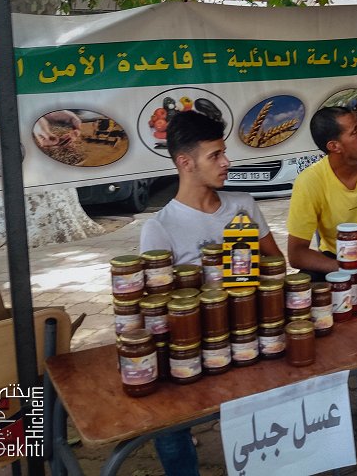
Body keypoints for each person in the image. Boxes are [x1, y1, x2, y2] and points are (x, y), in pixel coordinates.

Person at [140, 110, 282, 475]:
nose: (226, 162)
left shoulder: (243, 205)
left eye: (224, 152)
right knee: (167, 423)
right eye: (215, 156)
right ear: (185, 163)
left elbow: (276, 265)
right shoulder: (160, 228)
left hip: (251, 335)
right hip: (192, 346)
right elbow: (156, 308)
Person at [287, 106, 357, 278]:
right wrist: (348, 268)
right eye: (354, 132)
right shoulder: (310, 181)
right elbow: (296, 254)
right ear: (334, 146)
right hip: (337, 258)